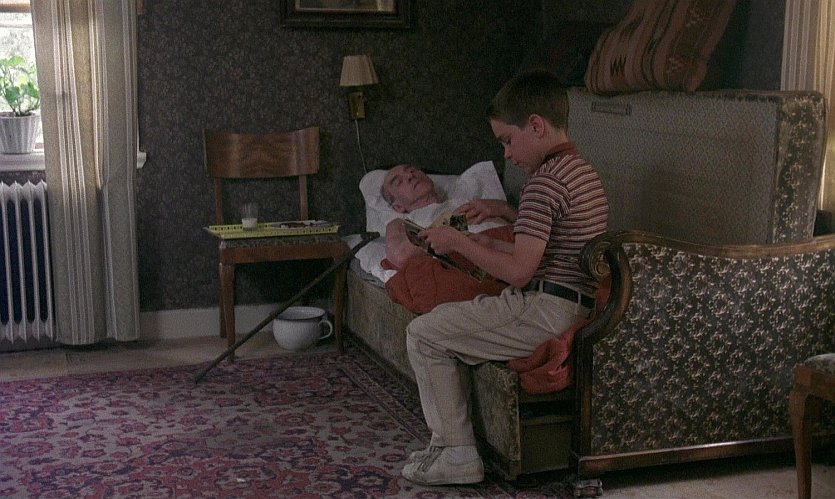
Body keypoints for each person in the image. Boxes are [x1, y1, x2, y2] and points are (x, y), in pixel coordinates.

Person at [400, 69, 610, 486]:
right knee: (444, 320)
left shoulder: (543, 183)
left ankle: (457, 452)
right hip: (569, 302)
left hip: (546, 311)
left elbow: (518, 272)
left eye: (508, 140)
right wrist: (495, 223)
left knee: (423, 334)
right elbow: (546, 247)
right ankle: (446, 446)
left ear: (536, 125)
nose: (508, 154)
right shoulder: (580, 171)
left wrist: (458, 243)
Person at [379, 163, 516, 269]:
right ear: (398, 207)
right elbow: (401, 256)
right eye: (398, 182)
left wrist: (504, 208)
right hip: (479, 260)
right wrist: (454, 223)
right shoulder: (401, 223)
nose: (410, 176)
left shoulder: (465, 201)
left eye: (412, 170)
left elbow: (523, 224)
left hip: (516, 246)